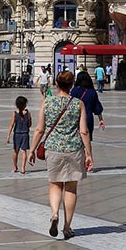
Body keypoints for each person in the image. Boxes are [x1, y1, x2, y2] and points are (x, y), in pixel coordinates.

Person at [29, 70, 93, 240]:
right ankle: (67, 227)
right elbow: (84, 131)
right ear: (72, 85)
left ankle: (55, 214)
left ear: (56, 84)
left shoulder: (47, 102)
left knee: (55, 185)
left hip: (53, 150)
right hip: (74, 149)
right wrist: (89, 154)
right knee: (71, 188)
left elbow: (39, 129)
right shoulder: (78, 103)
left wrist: (32, 150)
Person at [70, 72, 105, 140]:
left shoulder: (74, 91)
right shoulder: (92, 92)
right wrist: (100, 119)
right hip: (88, 118)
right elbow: (97, 107)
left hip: (76, 118)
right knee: (87, 140)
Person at [6, 95, 33, 174]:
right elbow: (29, 124)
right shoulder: (27, 113)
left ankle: (15, 166)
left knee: (15, 151)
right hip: (25, 134)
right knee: (24, 151)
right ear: (25, 105)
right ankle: (22, 168)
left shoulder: (15, 113)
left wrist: (8, 135)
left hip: (17, 134)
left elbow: (11, 125)